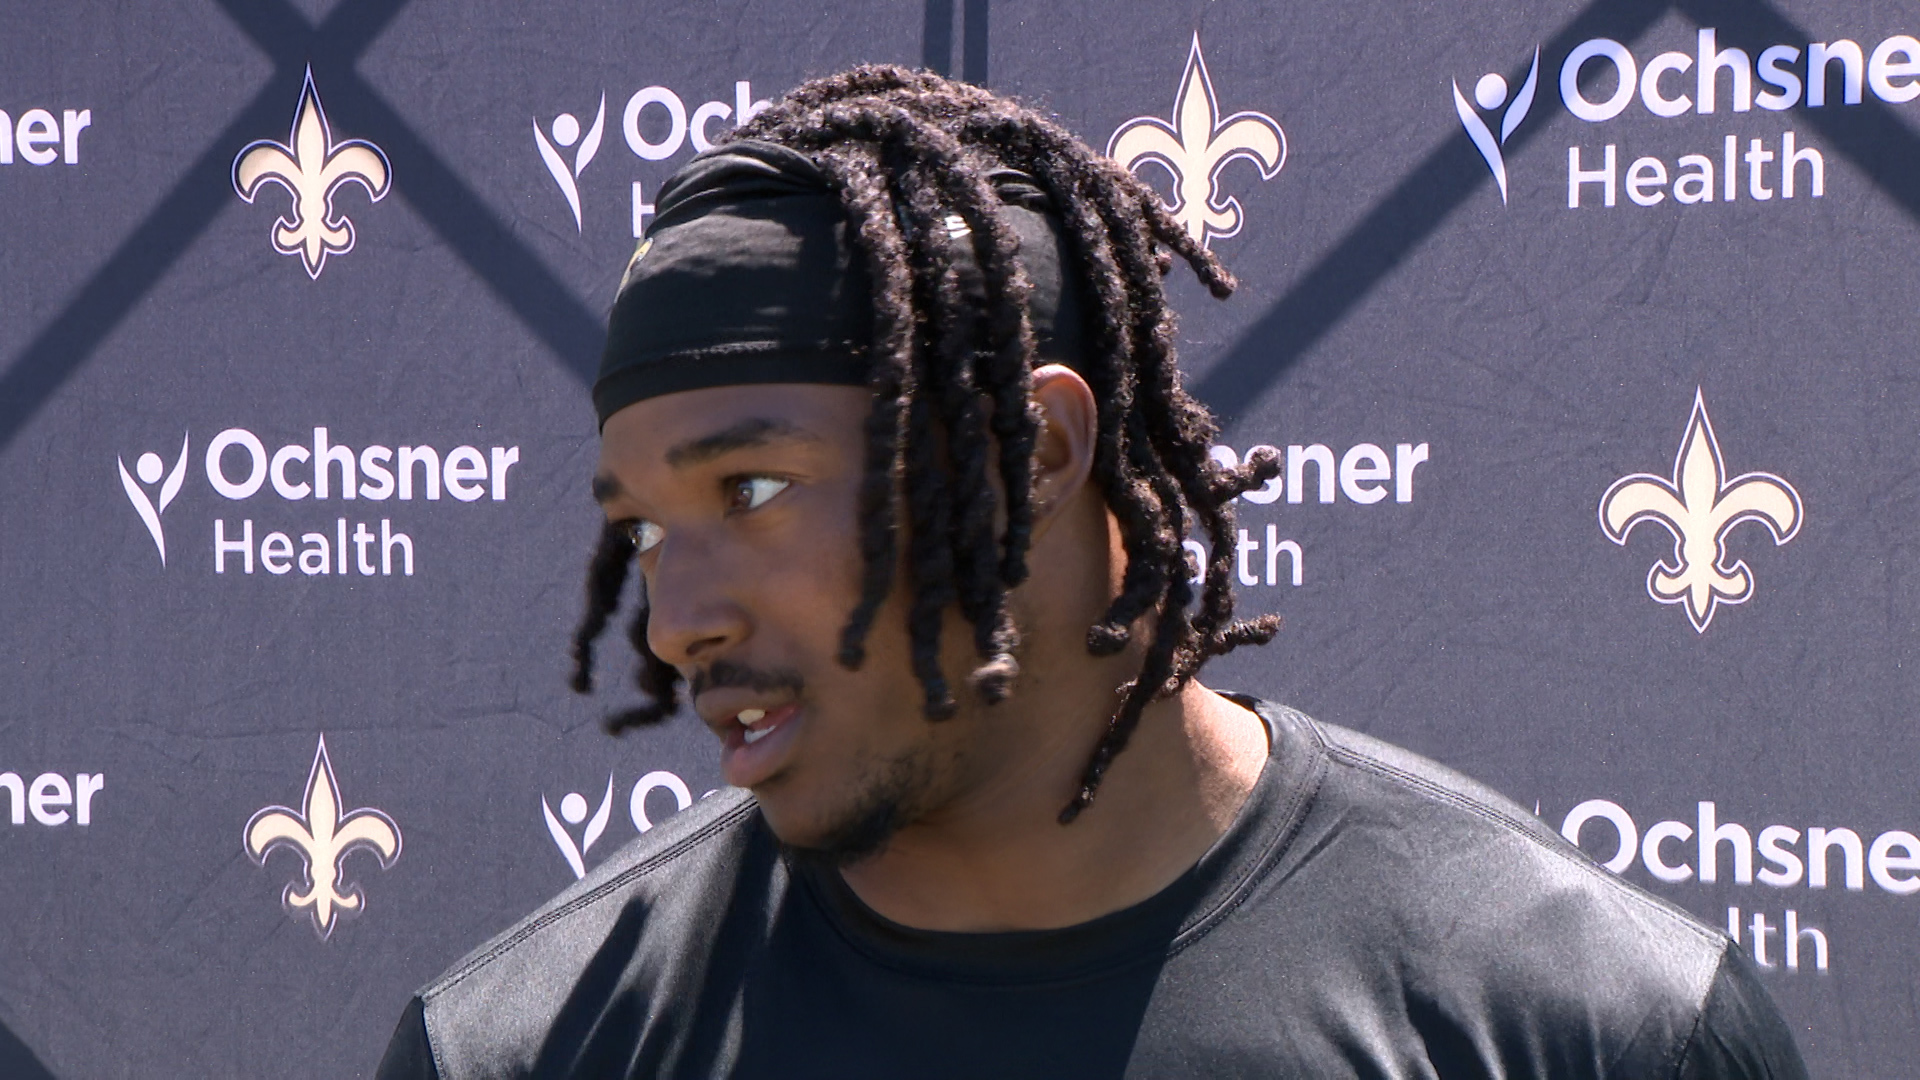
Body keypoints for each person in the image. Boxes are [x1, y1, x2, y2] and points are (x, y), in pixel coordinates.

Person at [376, 66, 1807, 1078]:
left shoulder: (1592, 1025)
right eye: (639, 528)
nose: (678, 619)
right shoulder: (523, 1045)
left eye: (752, 490)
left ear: (1038, 449)